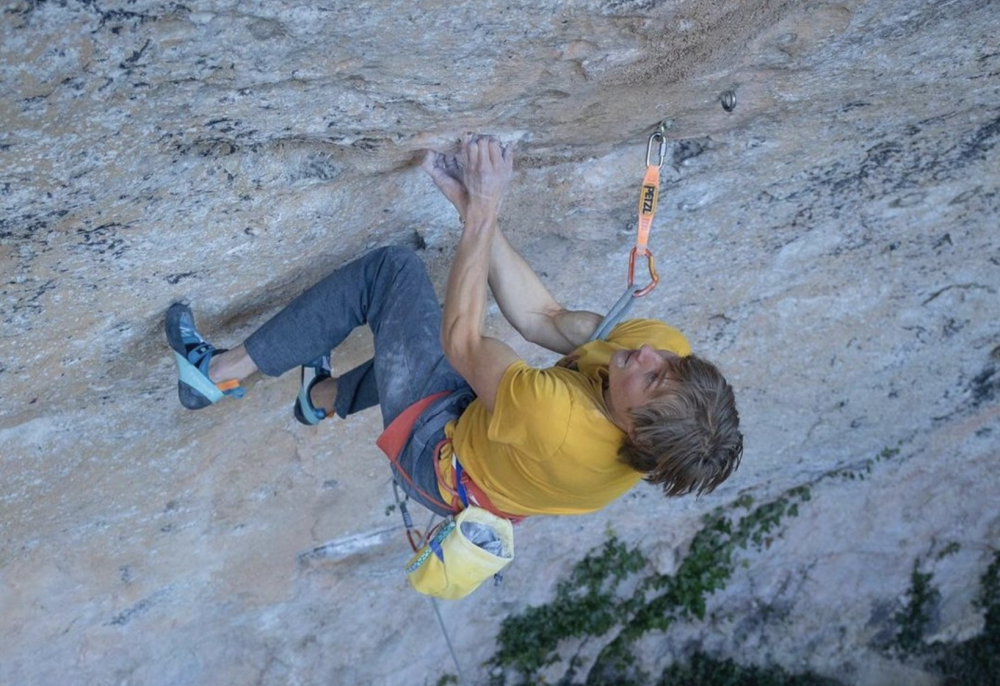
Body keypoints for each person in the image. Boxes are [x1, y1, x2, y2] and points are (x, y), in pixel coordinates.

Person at [166, 133, 743, 520]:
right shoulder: (663, 354)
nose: (645, 355)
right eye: (666, 366)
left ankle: (214, 374)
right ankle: (319, 399)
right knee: (429, 353)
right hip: (497, 450)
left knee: (392, 276)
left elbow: (462, 343)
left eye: (649, 380)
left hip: (440, 459)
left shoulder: (556, 421)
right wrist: (474, 209)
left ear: (634, 434)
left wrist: (485, 211)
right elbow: (546, 318)